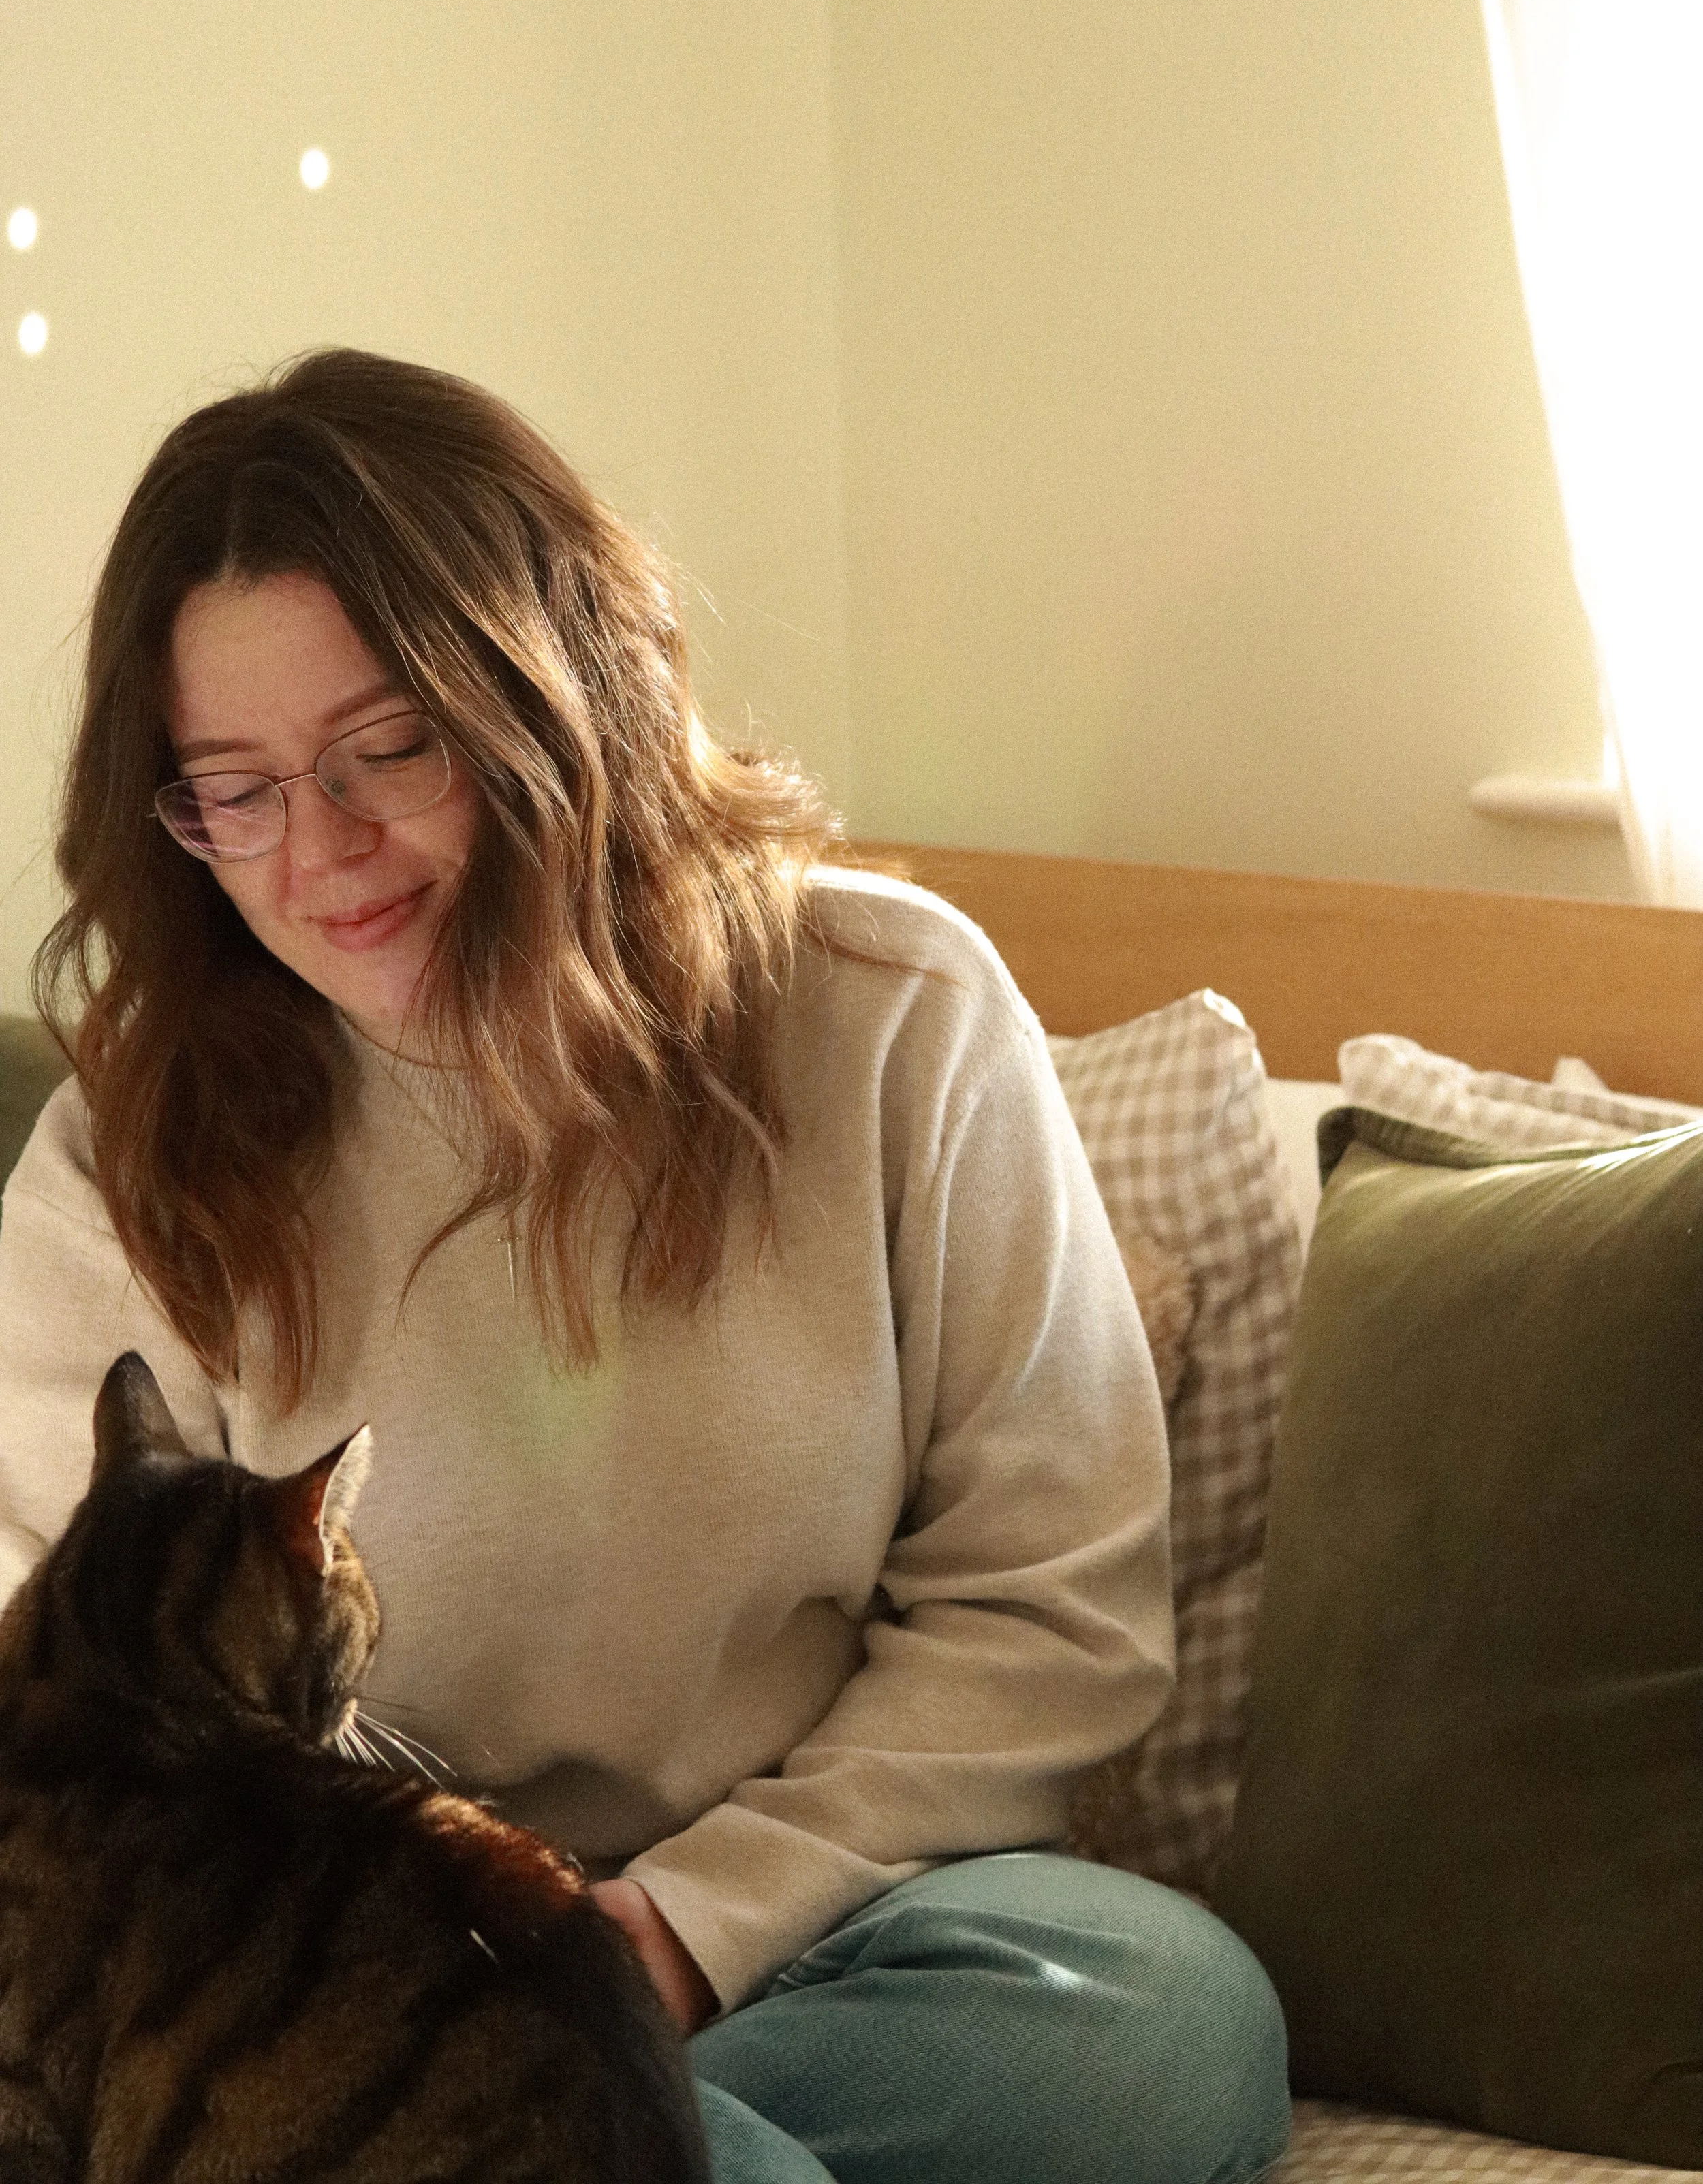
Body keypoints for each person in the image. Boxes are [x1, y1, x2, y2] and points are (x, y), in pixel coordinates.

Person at [0, 349, 1288, 2184]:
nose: (323, 851)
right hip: (371, 1968)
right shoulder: (133, 1149)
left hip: (849, 1923)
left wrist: (678, 1929)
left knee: (1165, 2025)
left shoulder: (890, 1018)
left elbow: (1048, 1618)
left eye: (387, 749)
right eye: (237, 789)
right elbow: (59, 1683)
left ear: (555, 698)